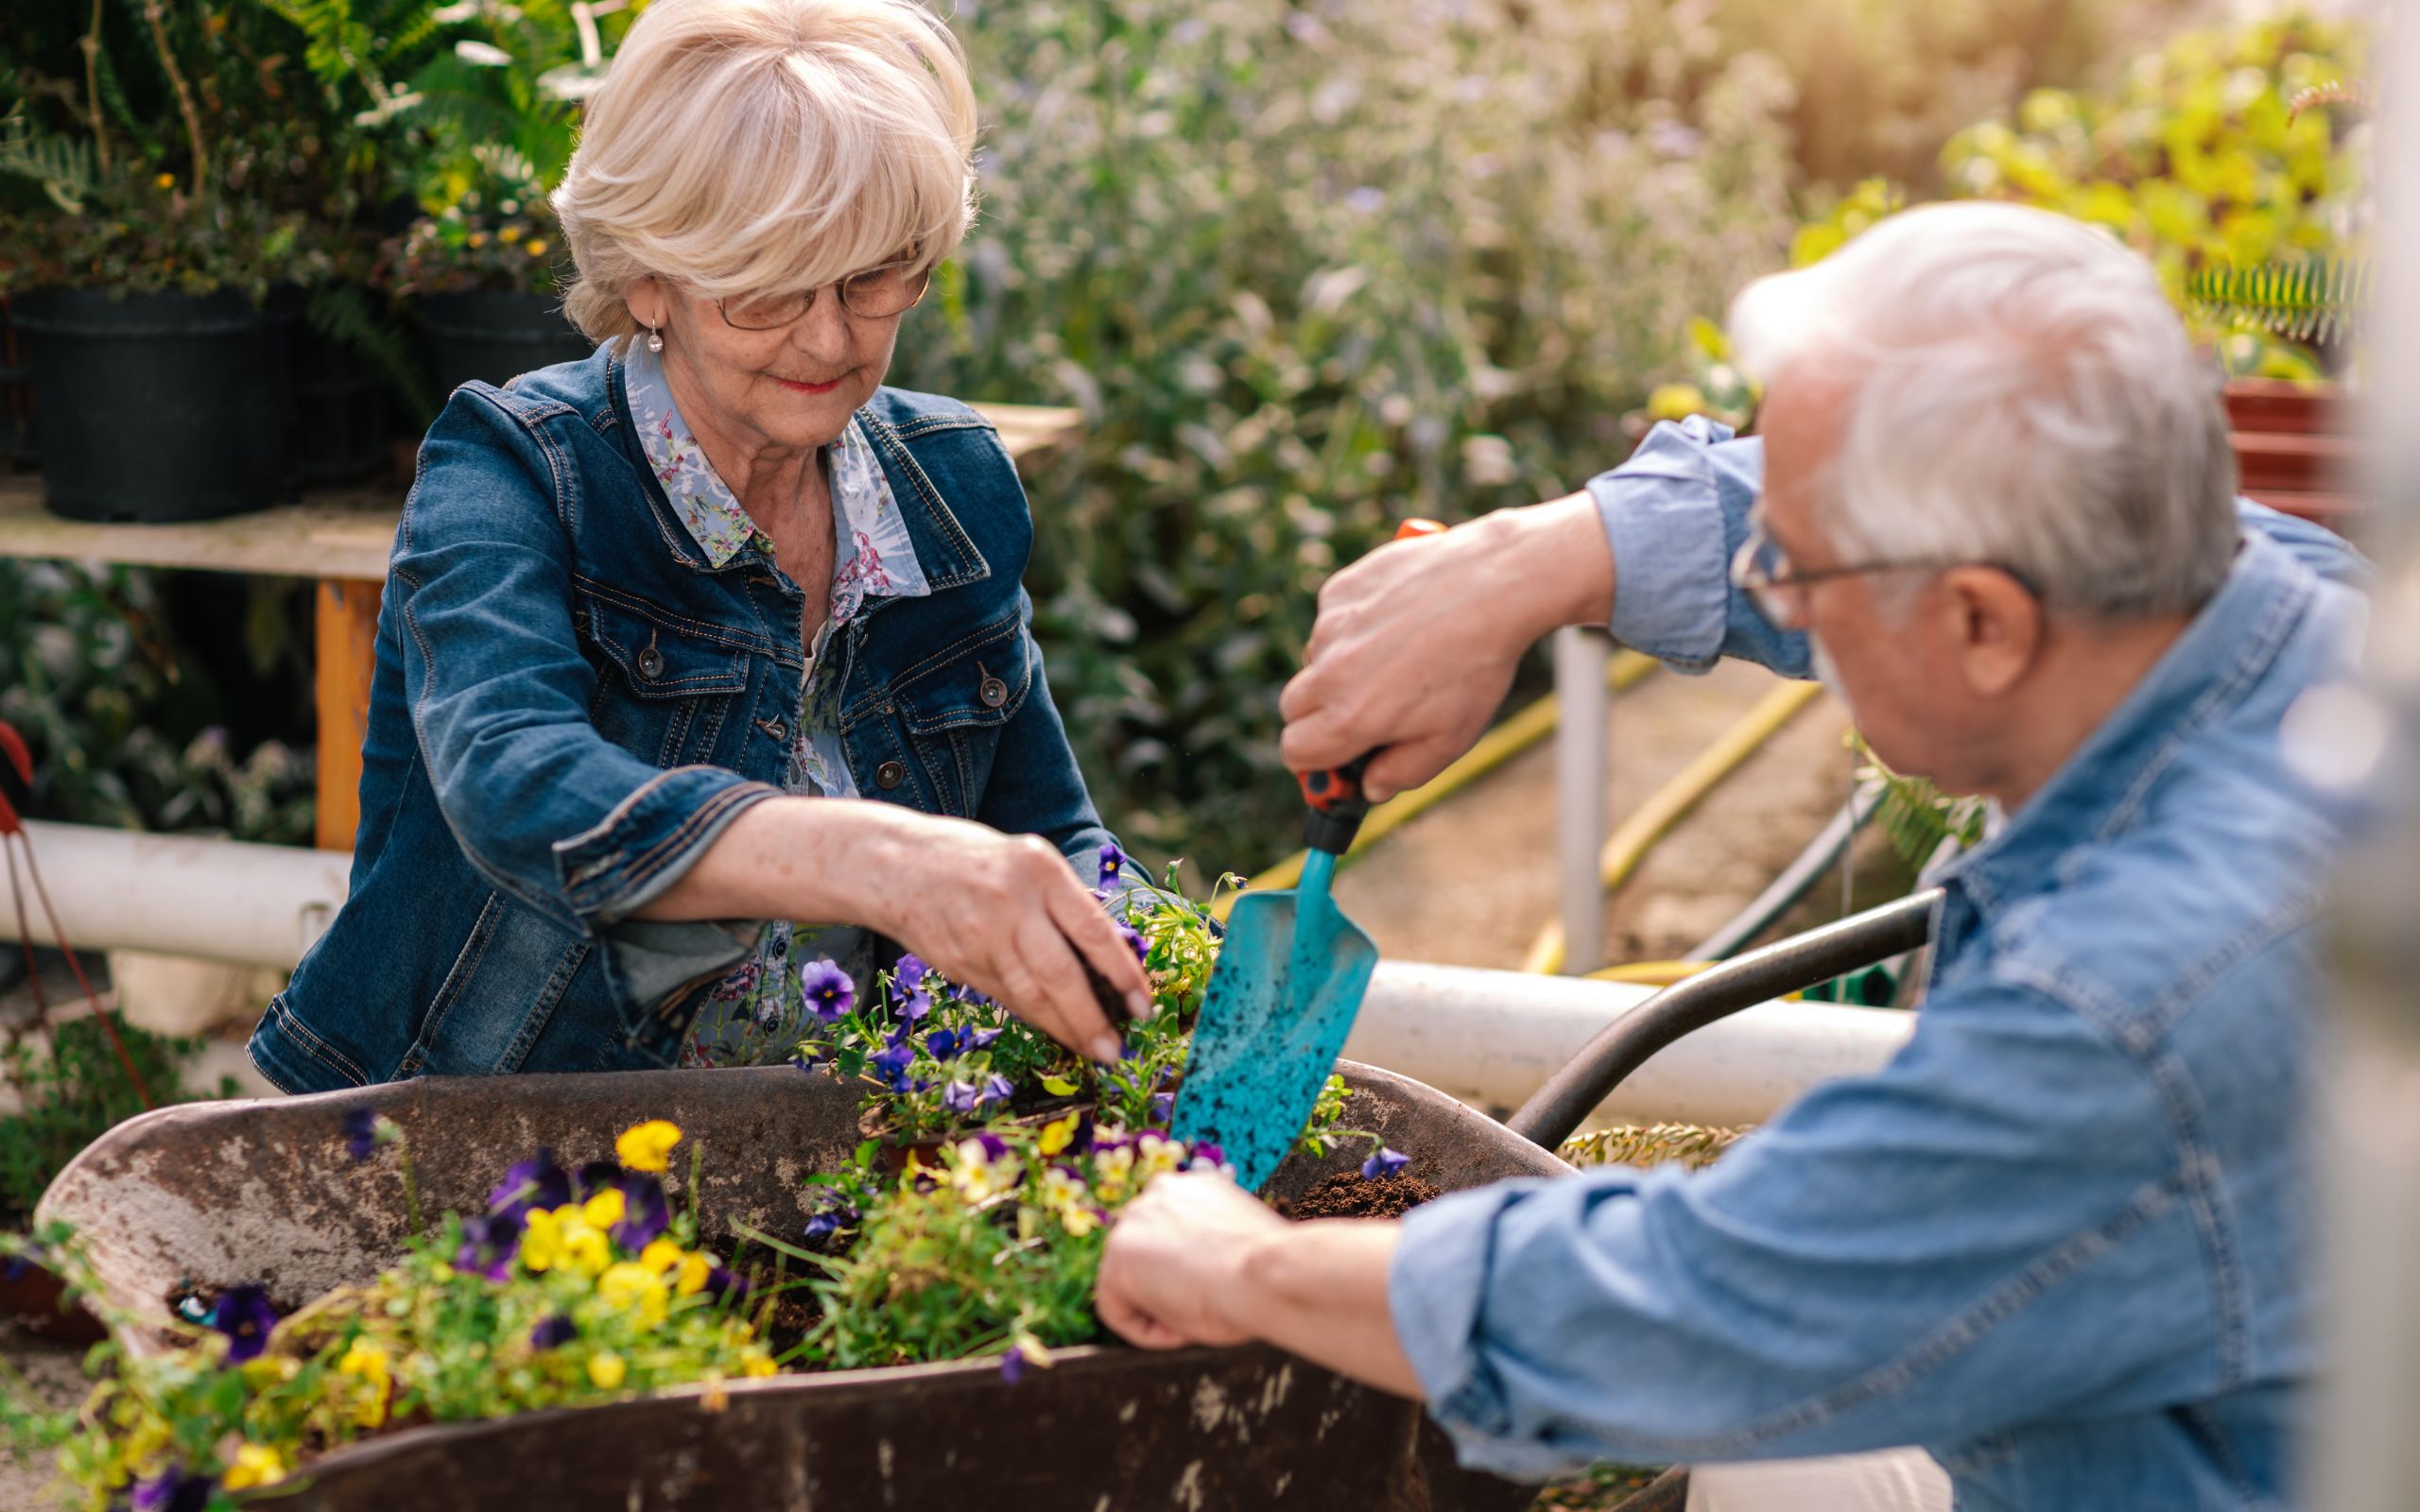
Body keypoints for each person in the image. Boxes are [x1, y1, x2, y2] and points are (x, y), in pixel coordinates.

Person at [1095, 202, 2370, 1510]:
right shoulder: (2287, 606)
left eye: (1798, 571)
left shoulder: (2133, 1002)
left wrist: (1238, 1263)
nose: (1775, 592)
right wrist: (1540, 558)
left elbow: (1705, 1310)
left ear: (1985, 621)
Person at [250, 0, 1150, 1094]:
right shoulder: (518, 468)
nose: (828, 339)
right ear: (647, 277)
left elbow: (1051, 831)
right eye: (767, 286)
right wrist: (880, 861)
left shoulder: (950, 486)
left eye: (874, 277)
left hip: (810, 1173)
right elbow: (515, 780)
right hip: (476, 1153)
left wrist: (1172, 973)